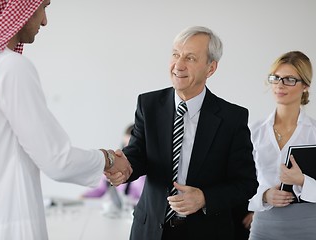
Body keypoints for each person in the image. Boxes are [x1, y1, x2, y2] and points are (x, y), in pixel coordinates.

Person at [0, 0, 131, 239]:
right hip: (8, 227)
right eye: (43, 7)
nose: (45, 21)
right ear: (20, 7)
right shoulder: (9, 67)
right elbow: (57, 160)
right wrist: (108, 159)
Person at [107, 26, 258, 240]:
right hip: (150, 230)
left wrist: (205, 198)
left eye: (190, 58)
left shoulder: (232, 118)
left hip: (206, 232)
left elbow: (246, 183)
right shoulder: (148, 104)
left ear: (211, 68)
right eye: (176, 55)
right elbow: (137, 154)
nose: (178, 65)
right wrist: (124, 168)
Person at [248, 51, 316, 240]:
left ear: (305, 86)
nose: (280, 85)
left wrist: (302, 181)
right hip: (264, 224)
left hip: (308, 223)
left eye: (289, 79)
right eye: (276, 78)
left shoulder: (314, 132)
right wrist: (264, 195)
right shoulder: (253, 131)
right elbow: (240, 182)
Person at [83, 124, 145, 202]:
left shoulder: (144, 176)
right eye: (124, 145)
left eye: (130, 145)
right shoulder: (115, 166)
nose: (127, 149)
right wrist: (83, 197)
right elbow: (100, 188)